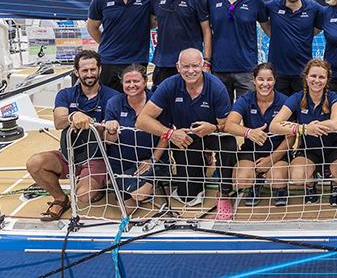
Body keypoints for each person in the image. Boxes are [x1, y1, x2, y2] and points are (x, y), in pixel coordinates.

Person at [136, 48, 236, 220]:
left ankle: (225, 192)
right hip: (185, 137)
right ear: (177, 67)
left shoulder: (217, 87)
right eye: (186, 66)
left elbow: (227, 125)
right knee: (188, 195)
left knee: (228, 143)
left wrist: (212, 127)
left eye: (195, 66)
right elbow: (142, 120)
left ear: (204, 66)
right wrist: (170, 133)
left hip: (212, 133)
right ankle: (202, 163)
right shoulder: (169, 85)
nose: (191, 71)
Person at [26, 50, 119, 221]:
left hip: (97, 156)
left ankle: (98, 185)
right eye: (84, 70)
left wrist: (95, 125)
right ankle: (60, 199)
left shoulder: (113, 97)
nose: (89, 74)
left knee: (84, 196)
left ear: (100, 70)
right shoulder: (66, 94)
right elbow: (58, 122)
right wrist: (73, 116)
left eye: (93, 69)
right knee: (35, 163)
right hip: (68, 153)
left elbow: (110, 136)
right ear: (77, 72)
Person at [269, 59, 337, 206]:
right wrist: (304, 129)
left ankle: (335, 186)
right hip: (309, 149)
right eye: (313, 76)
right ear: (306, 77)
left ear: (327, 80)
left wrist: (314, 126)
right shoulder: (297, 97)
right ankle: (310, 185)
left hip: (333, 148)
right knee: (297, 177)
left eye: (321, 77)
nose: (317, 80)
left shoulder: (335, 97)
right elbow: (274, 125)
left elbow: (335, 123)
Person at [224, 63, 292, 207]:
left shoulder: (285, 101)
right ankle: (255, 183)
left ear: (275, 81)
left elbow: (291, 138)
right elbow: (229, 125)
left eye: (269, 79)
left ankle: (281, 188)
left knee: (277, 178)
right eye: (261, 79)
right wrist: (248, 132)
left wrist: (271, 159)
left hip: (276, 151)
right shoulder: (246, 100)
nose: (265, 84)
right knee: (241, 179)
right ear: (254, 80)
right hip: (252, 150)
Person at [103, 64, 169, 212]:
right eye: (127, 82)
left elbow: (166, 134)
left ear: (145, 82)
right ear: (122, 83)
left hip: (150, 161)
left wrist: (152, 160)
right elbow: (108, 140)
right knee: (128, 211)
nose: (132, 85)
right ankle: (125, 183)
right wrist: (111, 131)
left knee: (139, 195)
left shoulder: (157, 102)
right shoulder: (113, 103)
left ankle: (147, 186)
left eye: (136, 81)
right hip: (121, 163)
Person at [87, 0, 153, 91]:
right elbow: (92, 28)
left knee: (135, 104)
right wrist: (108, 43)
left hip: (137, 61)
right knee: (108, 105)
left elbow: (156, 21)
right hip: (108, 62)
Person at [207, 0, 269, 100]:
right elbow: (206, 31)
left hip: (246, 69)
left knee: (248, 115)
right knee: (222, 116)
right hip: (219, 69)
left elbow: (268, 29)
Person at [151, 0, 211, 88]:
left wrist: (206, 61)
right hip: (163, 63)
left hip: (190, 65)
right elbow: (152, 22)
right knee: (162, 105)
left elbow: (207, 31)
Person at [263, 0, 323, 95]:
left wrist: (304, 35)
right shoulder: (272, 6)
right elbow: (262, 20)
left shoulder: (314, 8)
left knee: (303, 110)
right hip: (278, 73)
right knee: (279, 112)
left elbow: (331, 15)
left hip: (303, 73)